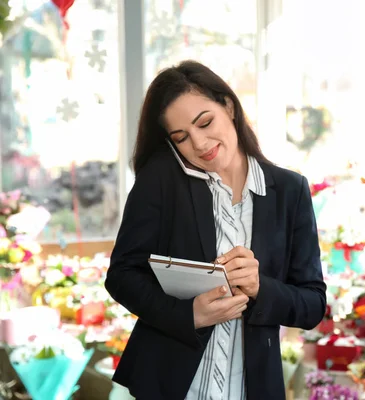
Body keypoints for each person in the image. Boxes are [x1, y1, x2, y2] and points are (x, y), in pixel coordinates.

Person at [104, 60, 327, 400]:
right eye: (182, 137)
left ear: (229, 106)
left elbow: (312, 304)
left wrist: (259, 287)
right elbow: (122, 274)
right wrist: (187, 314)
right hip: (171, 385)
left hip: (251, 388)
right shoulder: (162, 179)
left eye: (205, 122)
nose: (199, 143)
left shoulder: (290, 190)